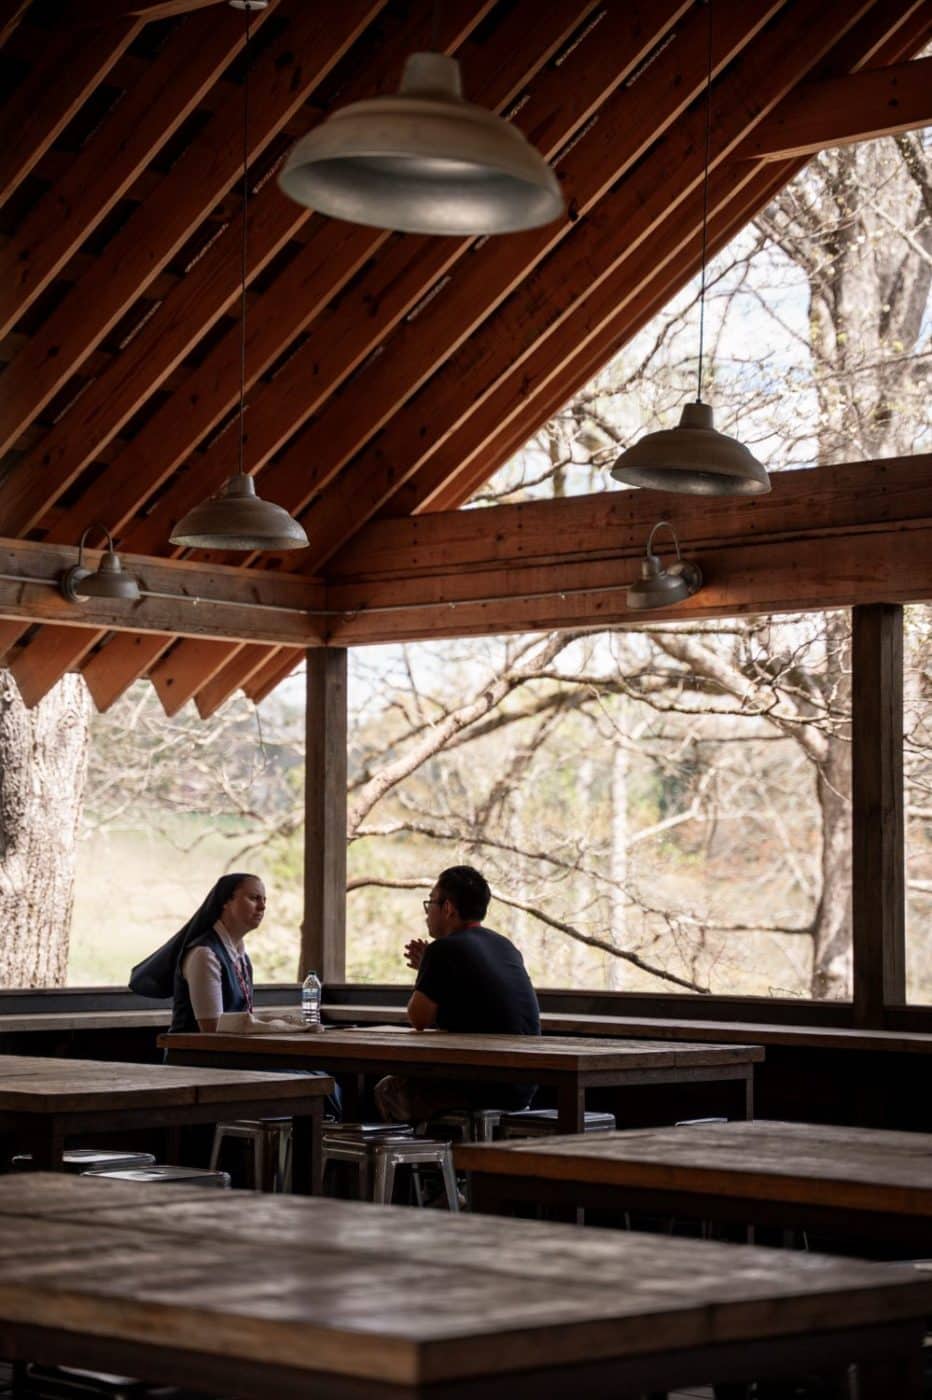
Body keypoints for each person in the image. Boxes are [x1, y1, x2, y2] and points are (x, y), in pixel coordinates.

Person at [375, 865, 540, 1125]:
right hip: (523, 1086)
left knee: (389, 1089)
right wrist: (428, 969)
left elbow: (418, 1018)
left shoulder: (444, 950)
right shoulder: (504, 945)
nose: (427, 912)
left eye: (430, 902)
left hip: (481, 1085)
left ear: (448, 908)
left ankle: (418, 1163)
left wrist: (427, 967)